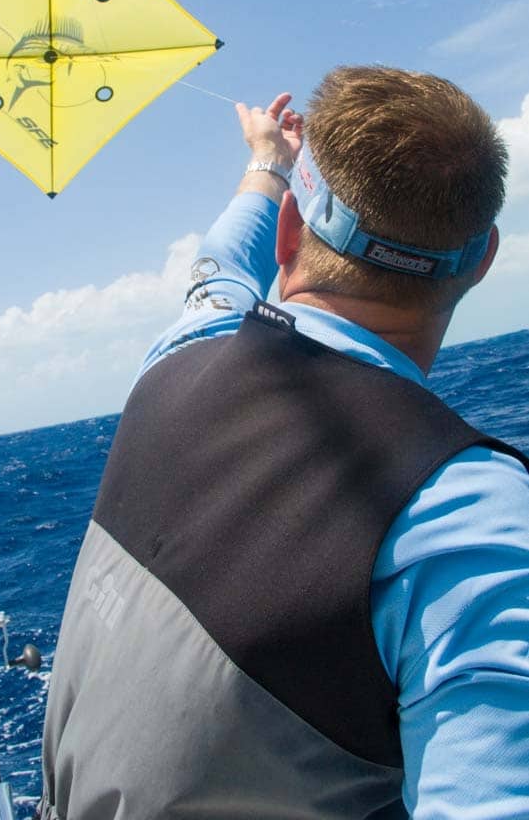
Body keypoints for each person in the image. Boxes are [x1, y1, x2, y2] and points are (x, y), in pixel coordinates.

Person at [38, 67, 529, 820]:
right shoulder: (465, 515)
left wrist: (267, 161)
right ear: (483, 258)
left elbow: (221, 263)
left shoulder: (181, 355)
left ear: (294, 230)